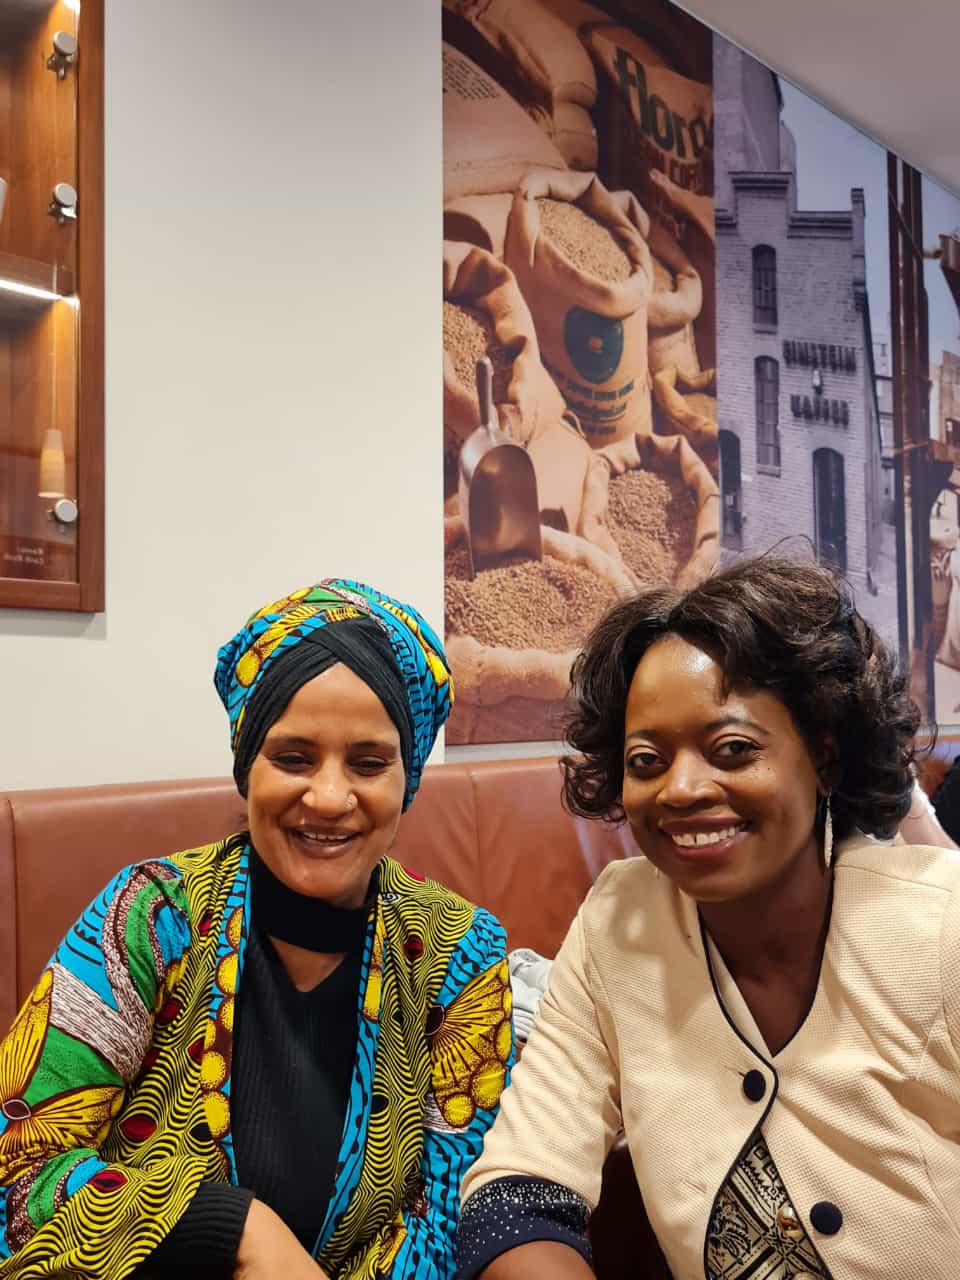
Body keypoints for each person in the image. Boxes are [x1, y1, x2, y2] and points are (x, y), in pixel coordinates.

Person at [458, 556, 960, 1280]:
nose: (683, 789)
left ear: (821, 756)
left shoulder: (938, 926)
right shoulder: (619, 928)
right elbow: (516, 1192)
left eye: (733, 750)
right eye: (646, 759)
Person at [0, 578, 512, 1280]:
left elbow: (451, 1215)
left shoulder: (461, 954)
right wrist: (232, 1227)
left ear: (408, 778)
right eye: (293, 758)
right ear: (247, 766)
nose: (329, 798)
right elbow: (17, 1165)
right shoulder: (152, 916)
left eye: (368, 763)